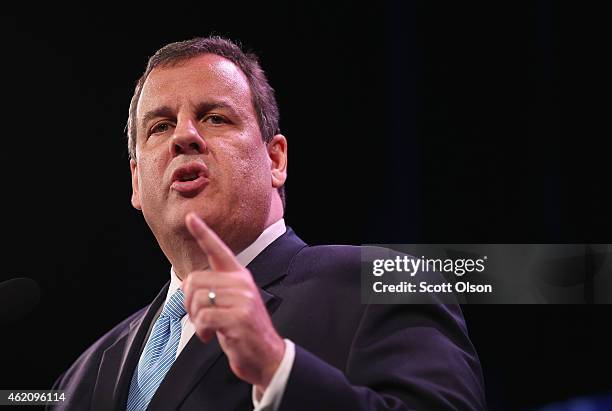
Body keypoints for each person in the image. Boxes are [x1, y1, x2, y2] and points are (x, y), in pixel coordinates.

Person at [50, 36, 487, 410]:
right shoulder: (82, 376)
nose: (184, 136)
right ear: (136, 182)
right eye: (160, 126)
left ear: (275, 159)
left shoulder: (382, 286)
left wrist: (277, 368)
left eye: (214, 117)